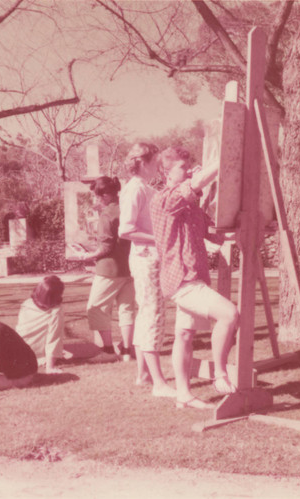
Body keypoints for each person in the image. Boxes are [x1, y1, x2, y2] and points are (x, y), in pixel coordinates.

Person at [150, 146, 239, 410]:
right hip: (182, 280)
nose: (188, 171)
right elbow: (196, 183)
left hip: (194, 277)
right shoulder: (164, 199)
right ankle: (220, 374)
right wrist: (226, 159)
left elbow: (216, 234)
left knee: (184, 334)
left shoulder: (190, 207)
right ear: (167, 173)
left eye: (190, 166)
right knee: (229, 315)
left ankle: (183, 395)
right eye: (182, 167)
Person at [118, 142, 176, 398]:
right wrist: (160, 239)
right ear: (142, 162)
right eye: (154, 162)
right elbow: (126, 230)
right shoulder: (134, 189)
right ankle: (159, 383)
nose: (158, 166)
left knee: (146, 314)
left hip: (149, 258)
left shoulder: (144, 188)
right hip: (145, 259)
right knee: (153, 315)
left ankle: (143, 374)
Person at [80, 176, 135, 362]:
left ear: (104, 195)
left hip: (109, 269)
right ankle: (127, 350)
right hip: (129, 267)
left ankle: (108, 350)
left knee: (96, 308)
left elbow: (105, 248)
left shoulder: (107, 215)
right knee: (126, 309)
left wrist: (86, 255)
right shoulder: (127, 208)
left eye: (97, 196)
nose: (96, 200)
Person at [16, 275, 67, 373]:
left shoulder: (27, 303)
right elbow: (54, 338)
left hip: (19, 349)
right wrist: (50, 367)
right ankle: (47, 360)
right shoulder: (56, 311)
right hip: (36, 354)